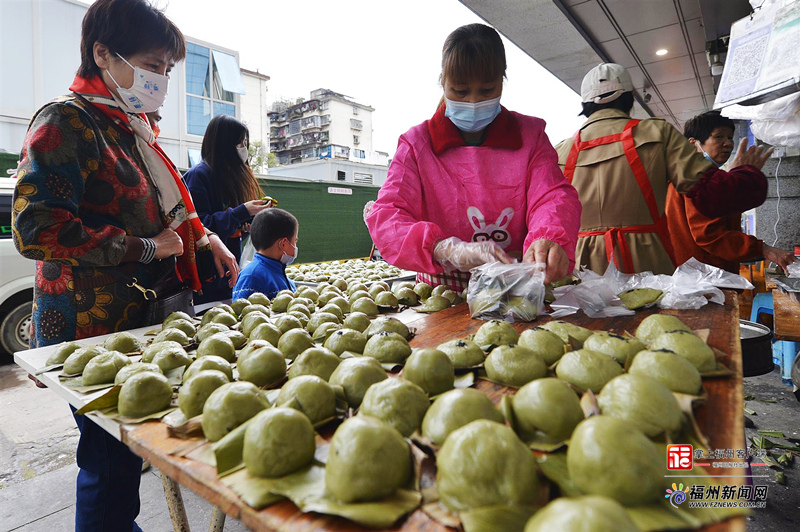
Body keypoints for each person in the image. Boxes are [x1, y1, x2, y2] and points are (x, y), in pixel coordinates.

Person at [11, 1, 238, 530]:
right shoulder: (66, 121)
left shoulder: (130, 127)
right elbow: (35, 227)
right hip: (94, 324)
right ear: (102, 54)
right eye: (151, 64)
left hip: (142, 319)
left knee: (126, 451)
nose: (160, 78)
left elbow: (165, 205)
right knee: (109, 457)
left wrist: (205, 240)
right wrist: (146, 248)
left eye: (166, 68)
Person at [366, 24, 581, 289]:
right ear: (442, 81)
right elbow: (388, 215)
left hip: (516, 286)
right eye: (460, 91)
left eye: (487, 91)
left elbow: (553, 196)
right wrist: (446, 249)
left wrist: (548, 237)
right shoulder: (416, 144)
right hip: (442, 290)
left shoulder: (530, 136)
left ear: (502, 81)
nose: (473, 102)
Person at [555, 63, 772, 275]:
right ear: (630, 97)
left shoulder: (560, 152)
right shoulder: (657, 133)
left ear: (585, 105)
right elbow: (713, 195)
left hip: (582, 272)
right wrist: (745, 173)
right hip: (646, 267)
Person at [665, 111, 796, 273]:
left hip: (700, 275)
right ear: (693, 143)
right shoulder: (697, 179)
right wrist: (764, 249)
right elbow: (709, 235)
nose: (728, 143)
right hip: (705, 277)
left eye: (730, 137)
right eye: (719, 137)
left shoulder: (689, 175)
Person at [185, 114, 273, 303]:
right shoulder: (198, 176)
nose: (244, 149)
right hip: (207, 280)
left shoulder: (228, 179)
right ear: (224, 145)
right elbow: (199, 226)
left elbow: (229, 226)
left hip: (229, 277)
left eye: (244, 143)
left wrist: (245, 226)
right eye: (239, 143)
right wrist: (242, 212)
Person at [232, 208, 298, 299]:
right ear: (284, 243)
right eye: (295, 241)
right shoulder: (251, 277)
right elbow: (243, 310)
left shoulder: (283, 277)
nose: (295, 247)